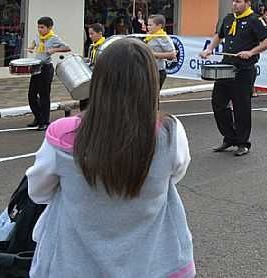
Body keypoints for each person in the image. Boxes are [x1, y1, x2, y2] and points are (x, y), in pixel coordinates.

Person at [25, 37, 195, 278]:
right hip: (154, 264)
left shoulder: (63, 133)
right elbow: (175, 174)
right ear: (150, 82)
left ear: (99, 79)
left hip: (72, 264)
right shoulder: (170, 132)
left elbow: (38, 192)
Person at [200, 0, 267, 157]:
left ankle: (243, 142)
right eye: (233, 1)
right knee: (218, 103)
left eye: (238, 1)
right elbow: (219, 36)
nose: (234, 4)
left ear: (248, 3)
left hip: (244, 70)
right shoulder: (228, 18)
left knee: (241, 107)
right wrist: (210, 49)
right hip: (226, 67)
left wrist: (252, 52)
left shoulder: (254, 21)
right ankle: (230, 137)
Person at [27, 17, 70, 131]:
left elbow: (67, 47)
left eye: (42, 27)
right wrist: (31, 47)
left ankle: (45, 122)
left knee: (44, 95)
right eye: (38, 27)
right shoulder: (38, 36)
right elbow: (34, 42)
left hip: (46, 69)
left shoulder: (53, 38)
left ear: (49, 27)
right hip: (36, 68)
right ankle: (38, 117)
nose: (39, 29)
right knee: (31, 95)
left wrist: (54, 50)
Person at [145, 14, 176, 90]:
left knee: (153, 96)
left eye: (150, 25)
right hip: (148, 70)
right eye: (147, 25)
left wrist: (153, 54)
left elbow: (172, 54)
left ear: (159, 26)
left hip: (157, 71)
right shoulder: (150, 36)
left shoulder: (162, 37)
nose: (148, 27)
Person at [81, 23, 106, 112]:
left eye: (92, 34)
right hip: (91, 75)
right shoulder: (92, 46)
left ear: (100, 33)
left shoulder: (105, 46)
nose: (90, 36)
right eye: (89, 34)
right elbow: (91, 60)